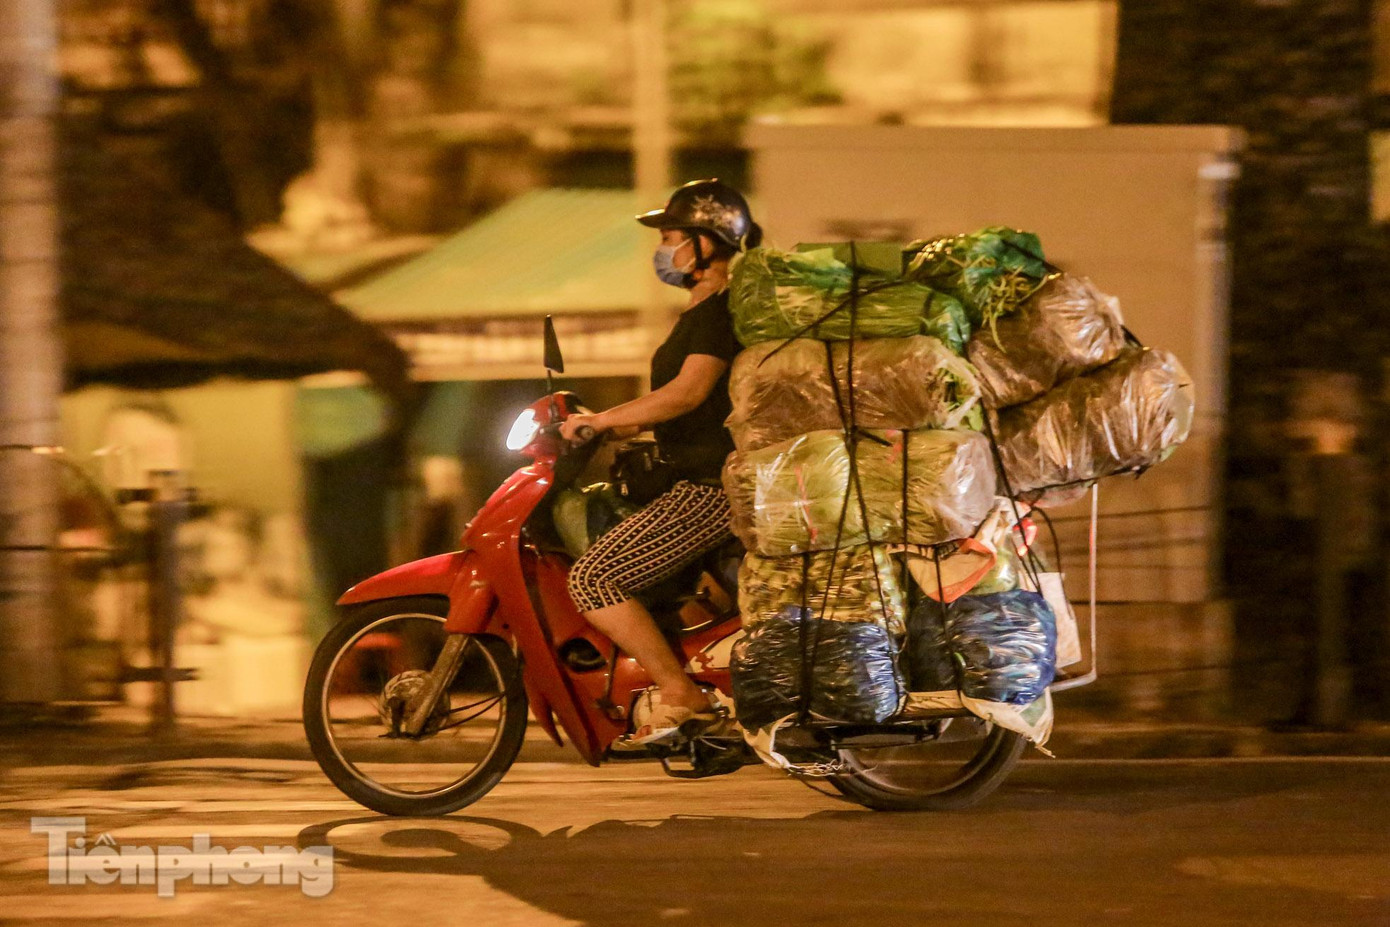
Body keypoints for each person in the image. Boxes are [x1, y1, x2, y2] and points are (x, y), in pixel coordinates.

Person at [559, 178, 762, 746]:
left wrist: (601, 422)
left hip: (711, 487)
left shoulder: (720, 313)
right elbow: (681, 405)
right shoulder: (698, 314)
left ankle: (680, 693)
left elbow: (689, 393)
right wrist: (616, 420)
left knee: (596, 578)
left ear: (707, 243)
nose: (663, 249)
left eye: (672, 236)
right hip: (693, 474)